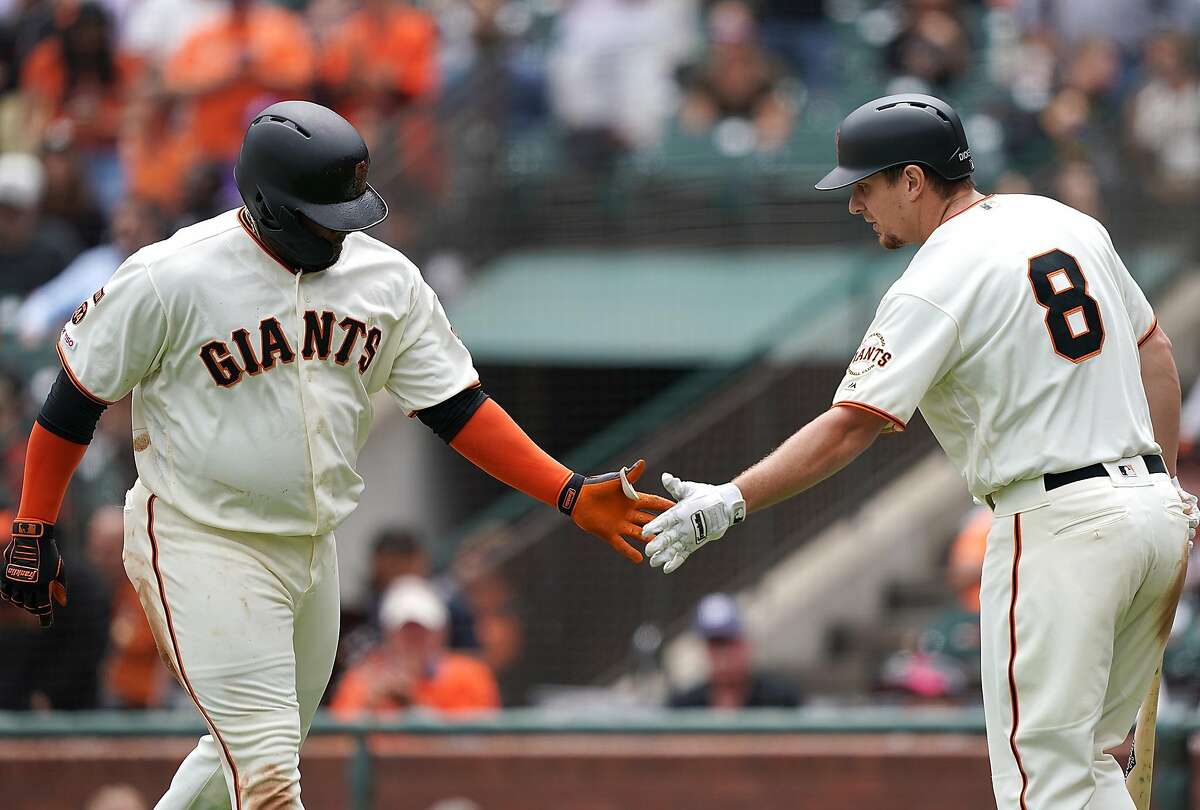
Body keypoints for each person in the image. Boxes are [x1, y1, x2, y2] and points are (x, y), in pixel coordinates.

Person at [0, 101, 672, 808]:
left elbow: (457, 408)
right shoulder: (171, 276)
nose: (342, 230)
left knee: (255, 749)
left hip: (312, 546)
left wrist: (565, 490)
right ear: (267, 204)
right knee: (265, 774)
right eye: (325, 214)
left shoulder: (385, 281)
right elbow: (73, 402)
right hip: (201, 538)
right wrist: (33, 525)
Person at [642, 93, 1198, 810]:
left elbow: (851, 425)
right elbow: (1158, 350)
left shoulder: (936, 276)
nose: (855, 206)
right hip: (1155, 516)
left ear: (913, 180)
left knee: (1045, 785)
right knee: (1092, 766)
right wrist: (1164, 482)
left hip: (1060, 527)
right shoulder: (1064, 219)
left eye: (865, 187)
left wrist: (731, 500)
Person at [330, 576, 499, 716]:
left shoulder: (470, 676)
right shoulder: (362, 680)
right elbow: (339, 744)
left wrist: (412, 704)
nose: (414, 640)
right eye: (406, 632)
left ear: (441, 633)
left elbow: (477, 745)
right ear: (388, 635)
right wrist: (369, 706)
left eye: (423, 631)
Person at [667, 592, 799, 709]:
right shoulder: (685, 706)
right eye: (714, 644)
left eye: (728, 643)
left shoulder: (781, 700)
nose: (722, 654)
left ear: (745, 644)